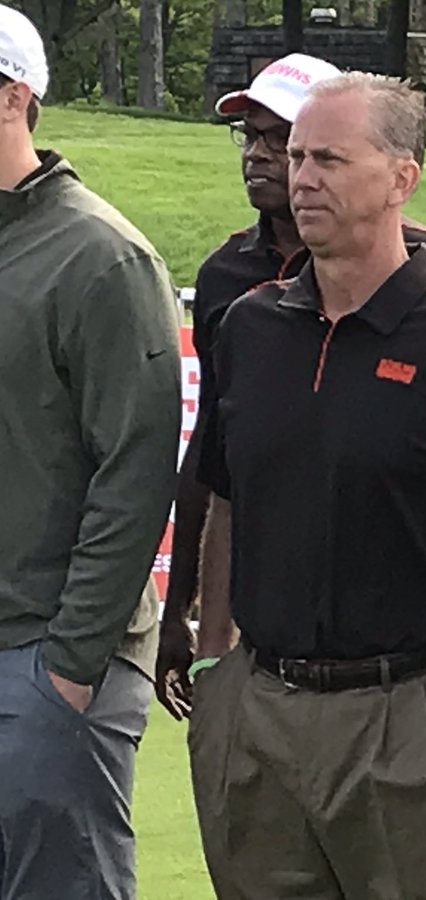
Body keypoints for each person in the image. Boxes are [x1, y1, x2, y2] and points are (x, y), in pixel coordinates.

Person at [189, 72, 426, 899]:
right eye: (295, 157)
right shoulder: (250, 325)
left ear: (402, 178)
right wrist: (216, 664)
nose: (302, 177)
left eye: (329, 157)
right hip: (260, 707)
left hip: (411, 709)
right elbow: (222, 496)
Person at [155, 54, 426, 719]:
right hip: (261, 632)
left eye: (289, 140)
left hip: (401, 651)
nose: (264, 156)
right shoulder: (224, 276)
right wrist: (177, 609)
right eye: (255, 137)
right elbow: (216, 459)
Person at [0, 5, 181, 897]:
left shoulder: (101, 257)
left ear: (12, 97)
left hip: (44, 661)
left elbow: (137, 474)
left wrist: (68, 671)